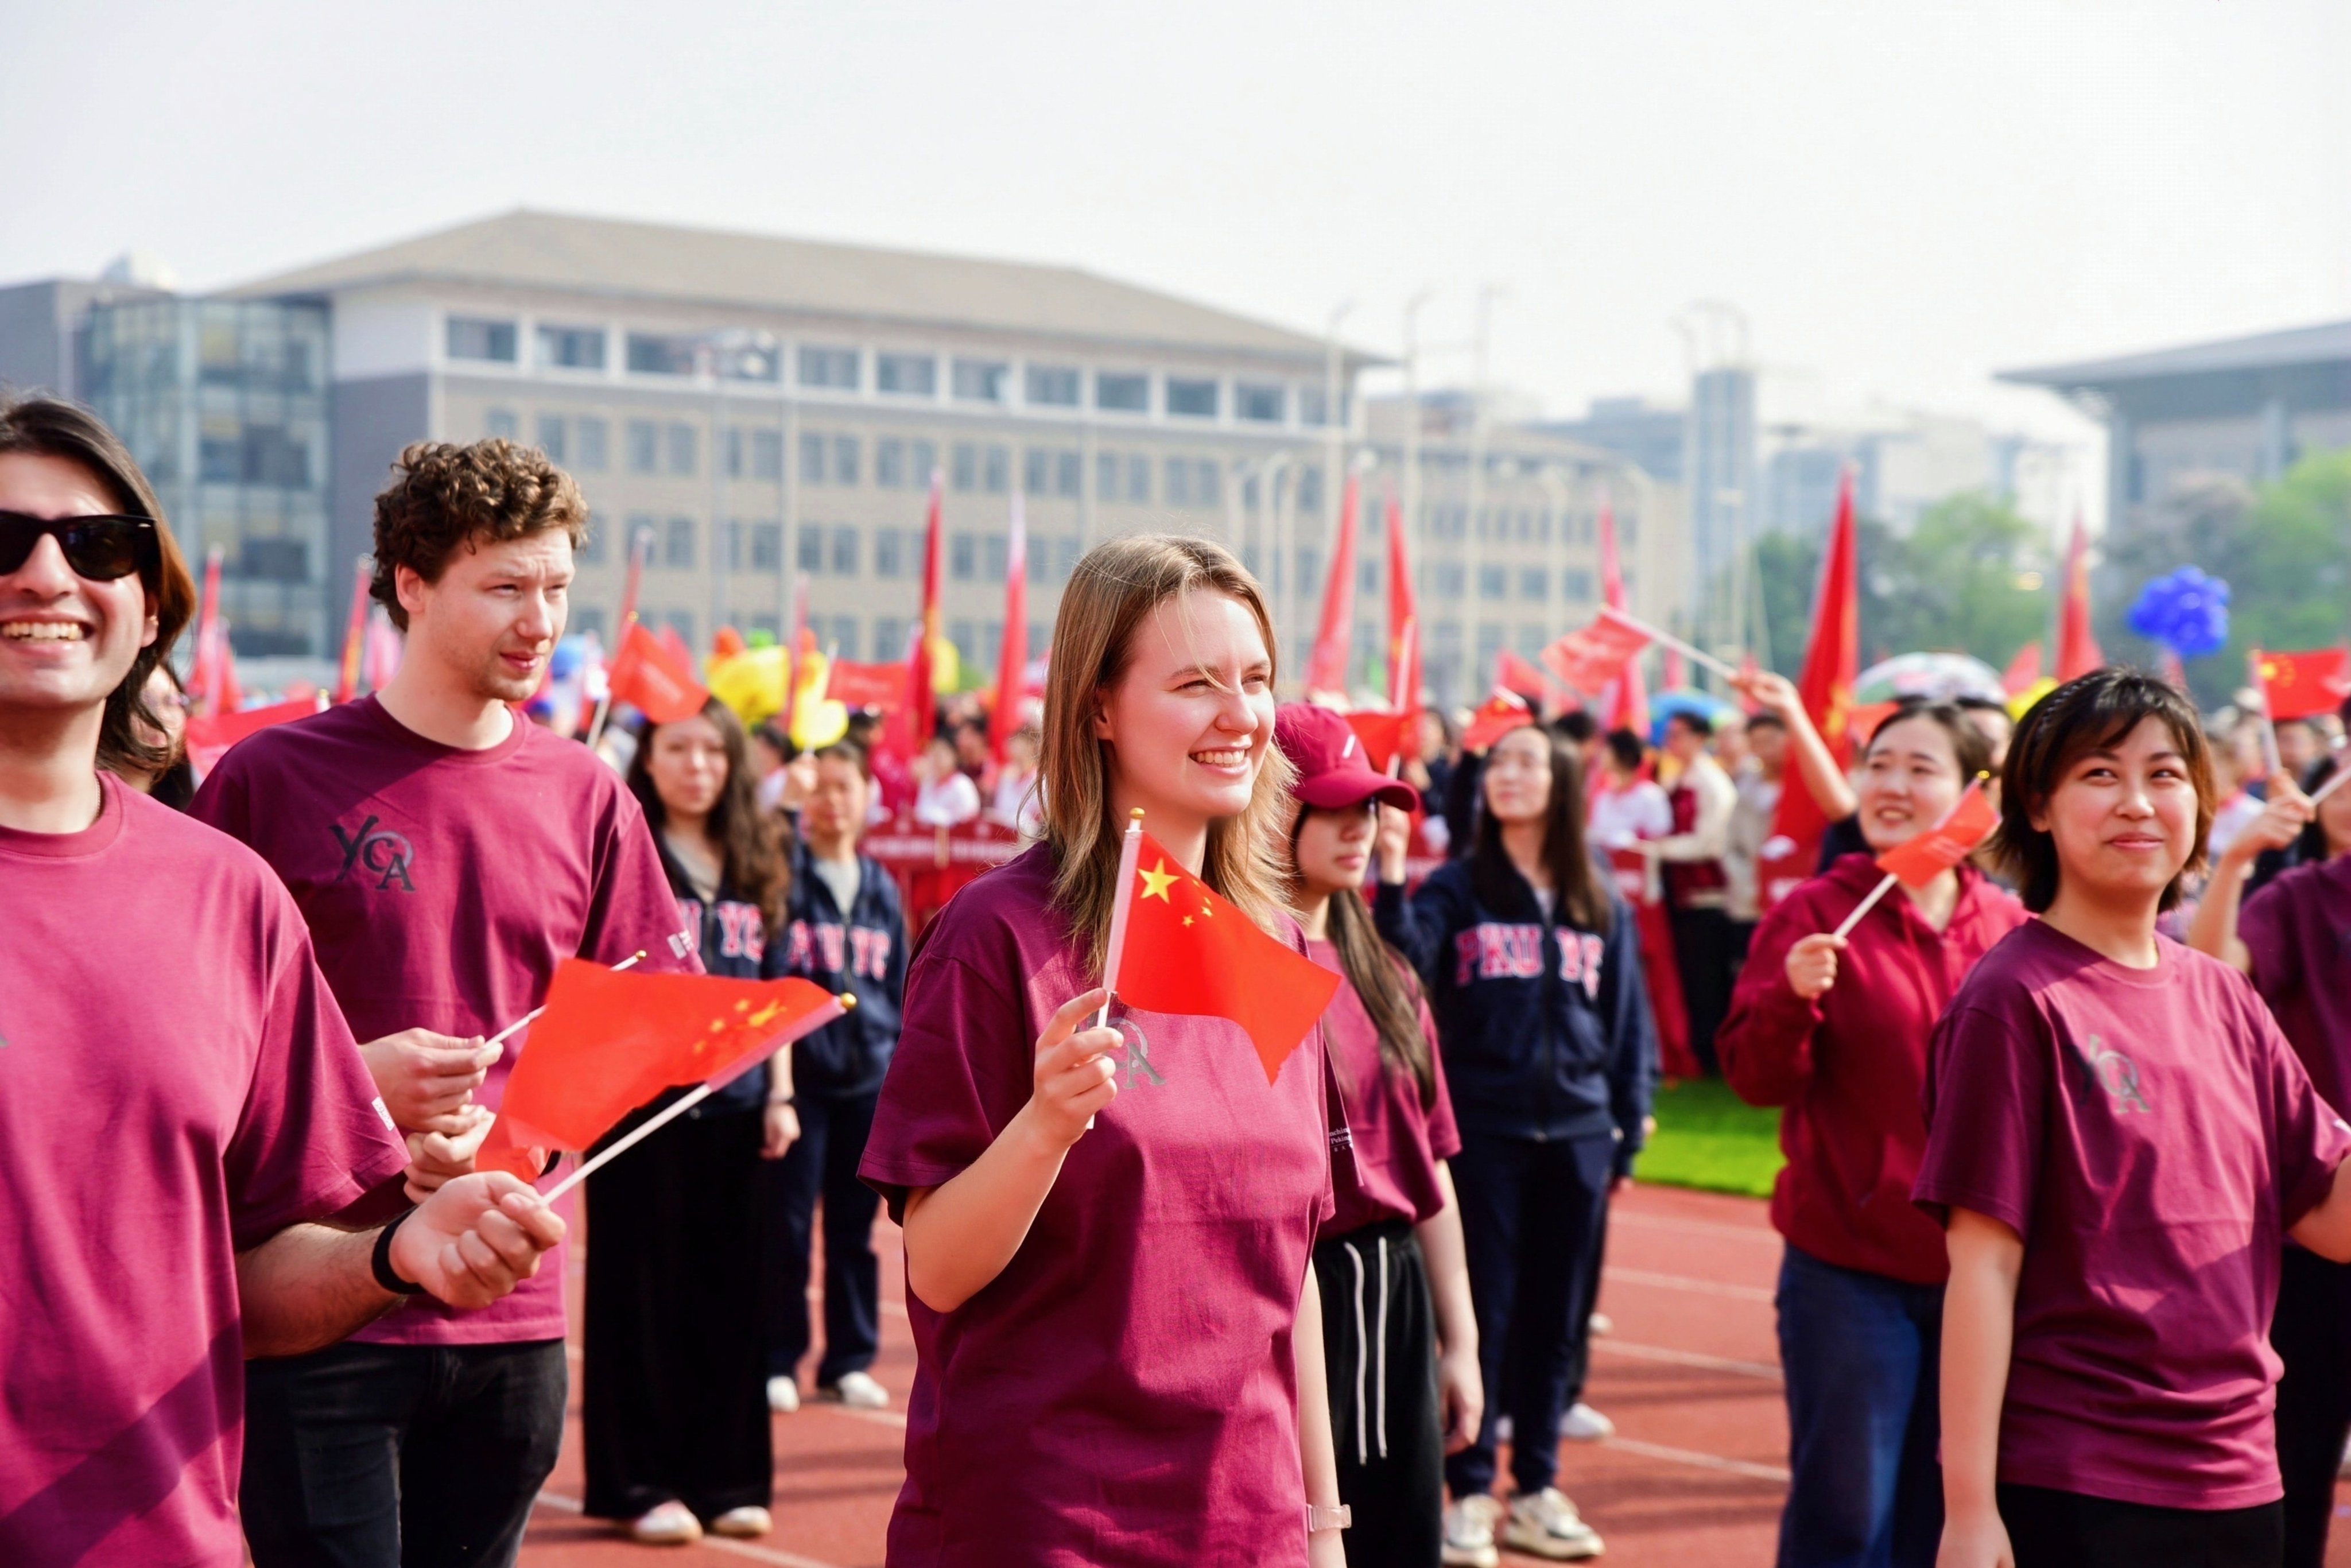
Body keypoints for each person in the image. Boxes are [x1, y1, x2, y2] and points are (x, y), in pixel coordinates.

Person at [0, 396, 564, 1568]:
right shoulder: (272, 784)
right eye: (2, 541)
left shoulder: (226, 896)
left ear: (146, 602)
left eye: (97, 545)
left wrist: (397, 1250)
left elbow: (249, 1269)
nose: (49, 574)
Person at [192, 438, 697, 1568]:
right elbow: (187, 1037)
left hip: (513, 1318)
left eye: (558, 587)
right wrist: (356, 1090)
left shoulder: (589, 797)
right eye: (506, 586)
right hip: (318, 1302)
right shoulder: (268, 782)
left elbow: (647, 1026)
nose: (541, 619)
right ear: (410, 585)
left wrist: (519, 1138)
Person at [854, 534, 1349, 1565]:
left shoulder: (1283, 951)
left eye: (1254, 679)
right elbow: (937, 1270)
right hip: (1044, 1519)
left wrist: (1323, 1524)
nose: (1239, 715)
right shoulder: (996, 935)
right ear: (1098, 708)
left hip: (1246, 1524)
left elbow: (1287, 1282)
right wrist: (1044, 1126)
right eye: (1195, 683)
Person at [1920, 668, 2351, 1568]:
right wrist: (1968, 1510)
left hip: (2239, 1474)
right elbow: (1983, 1266)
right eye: (2100, 775)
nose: (2139, 804)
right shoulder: (2013, 999)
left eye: (2165, 776)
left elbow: (2331, 1218)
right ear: (2038, 807)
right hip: (2080, 1478)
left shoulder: (2225, 997)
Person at [1718, 704, 2027, 1568]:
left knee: (1950, 1521)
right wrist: (1791, 996)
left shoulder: (2007, 929)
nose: (1893, 785)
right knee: (1846, 1519)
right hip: (1848, 1273)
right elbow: (1754, 1079)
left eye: (1920, 768)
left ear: (1971, 792)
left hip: (1984, 1278)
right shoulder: (1818, 914)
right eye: (1879, 764)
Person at [1376, 721, 1656, 1565]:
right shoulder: (1458, 888)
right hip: (1486, 1133)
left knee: (1556, 1322)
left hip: (1576, 1133)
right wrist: (1392, 876)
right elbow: (1404, 970)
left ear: (1564, 782)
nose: (1510, 775)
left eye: (1529, 761)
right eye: (1499, 762)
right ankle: (1469, 1492)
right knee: (1483, 1315)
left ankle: (1535, 1485)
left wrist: (1626, 1126)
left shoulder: (1596, 893)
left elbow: (1627, 1022)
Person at [579, 698, 797, 1544]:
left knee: (738, 1296)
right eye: (680, 749)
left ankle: (730, 1477)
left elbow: (777, 989)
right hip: (642, 1109)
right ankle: (640, 1482)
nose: (698, 766)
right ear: (650, 760)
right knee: (643, 1295)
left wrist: (779, 1095)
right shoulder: (630, 853)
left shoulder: (758, 853)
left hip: (738, 1105)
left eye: (713, 750)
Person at [1275, 702, 1483, 1568]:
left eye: (1371, 807)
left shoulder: (1390, 975)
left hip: (1393, 1301)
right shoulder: (1230, 969)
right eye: (1333, 804)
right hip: (1282, 1297)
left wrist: (1461, 1342)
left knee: (1402, 1544)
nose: (1360, 827)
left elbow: (1429, 1170)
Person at [2186, 757, 2351, 1568]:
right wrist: (2240, 860)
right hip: (2316, 1220)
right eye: (2344, 783)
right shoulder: (2296, 900)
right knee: (2299, 1454)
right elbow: (2214, 978)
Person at [766, 738, 908, 1415]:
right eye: (818, 787)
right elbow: (771, 988)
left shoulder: (881, 884)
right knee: (788, 1228)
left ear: (865, 797)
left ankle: (849, 1359)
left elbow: (901, 987)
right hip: (804, 1083)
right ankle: (779, 1358)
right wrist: (781, 1088)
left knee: (855, 1231)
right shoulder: (784, 878)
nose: (831, 799)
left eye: (843, 785)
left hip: (867, 1083)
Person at [1647, 709, 1737, 1073]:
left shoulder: (1712, 784)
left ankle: (1714, 1056)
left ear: (1700, 739)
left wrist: (1656, 848)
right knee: (1688, 978)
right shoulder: (1675, 781)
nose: (1672, 743)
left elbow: (1710, 843)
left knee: (1708, 981)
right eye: (1668, 735)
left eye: (1679, 735)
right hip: (1679, 893)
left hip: (1707, 897)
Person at [913, 729, 982, 827]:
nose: (936, 760)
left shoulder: (962, 784)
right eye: (933, 754)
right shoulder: (928, 783)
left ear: (954, 756)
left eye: (940, 755)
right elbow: (920, 813)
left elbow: (971, 818)